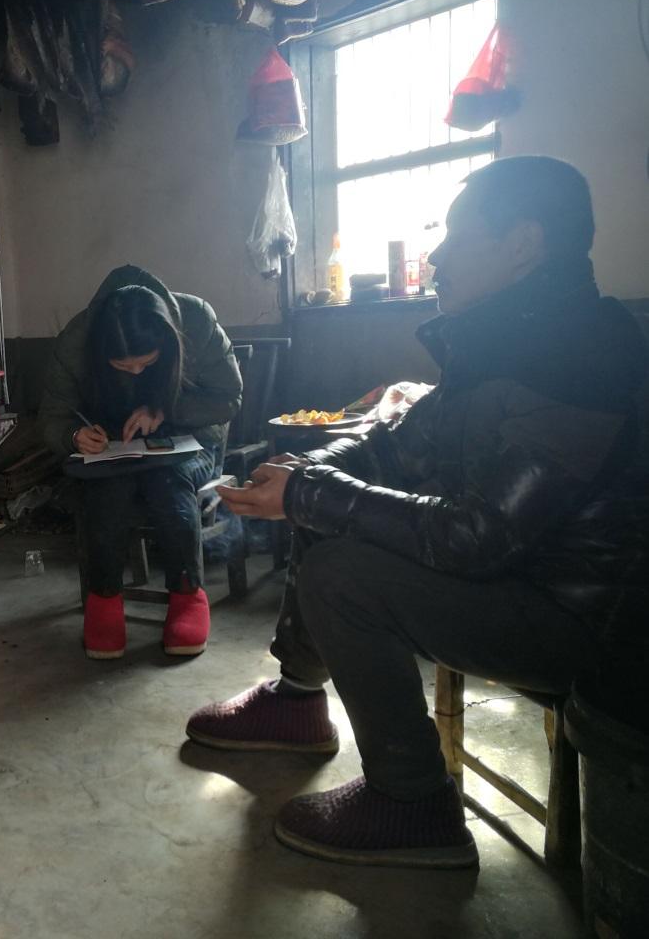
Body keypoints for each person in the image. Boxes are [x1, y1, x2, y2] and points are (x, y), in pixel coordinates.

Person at [187, 156, 648, 869]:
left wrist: (310, 492)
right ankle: (297, 699)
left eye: (457, 234)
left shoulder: (583, 356)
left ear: (522, 243)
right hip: (520, 579)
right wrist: (305, 474)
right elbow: (395, 445)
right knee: (325, 501)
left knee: (342, 571)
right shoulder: (506, 338)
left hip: (581, 623)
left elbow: (478, 537)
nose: (436, 257)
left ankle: (411, 803)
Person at [40, 265, 243, 659]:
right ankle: (104, 600)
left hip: (191, 442)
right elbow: (53, 415)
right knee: (105, 489)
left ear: (167, 339)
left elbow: (228, 397)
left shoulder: (196, 320)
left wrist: (164, 410)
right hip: (115, 448)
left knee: (167, 485)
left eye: (146, 363)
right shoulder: (77, 340)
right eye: (123, 366)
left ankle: (187, 596)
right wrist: (74, 435)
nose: (136, 372)